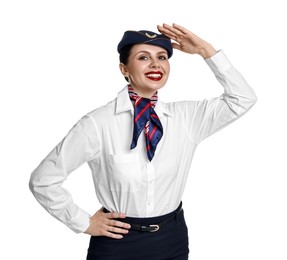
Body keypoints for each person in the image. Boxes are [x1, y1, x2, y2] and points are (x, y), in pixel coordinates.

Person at [29, 23, 257, 259]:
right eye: (143, 57)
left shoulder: (187, 118)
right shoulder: (98, 123)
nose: (156, 64)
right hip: (116, 243)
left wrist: (205, 51)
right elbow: (43, 180)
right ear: (124, 69)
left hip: (172, 239)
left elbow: (242, 98)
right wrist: (83, 222)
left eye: (162, 57)